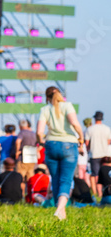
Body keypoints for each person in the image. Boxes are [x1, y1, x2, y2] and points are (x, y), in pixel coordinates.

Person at [36, 86, 84, 220]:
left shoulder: (45, 109)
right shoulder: (67, 106)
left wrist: (41, 142)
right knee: (66, 179)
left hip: (51, 145)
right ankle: (60, 208)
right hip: (69, 144)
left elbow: (40, 132)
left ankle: (60, 211)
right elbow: (74, 123)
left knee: (55, 178)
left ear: (47, 98)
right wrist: (81, 137)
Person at [85, 111, 111, 197]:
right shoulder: (107, 129)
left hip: (94, 154)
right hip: (105, 154)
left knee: (95, 174)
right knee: (105, 173)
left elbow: (87, 143)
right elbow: (108, 141)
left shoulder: (90, 129)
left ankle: (97, 193)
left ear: (95, 118)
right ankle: (104, 192)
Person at [15, 120, 38, 184]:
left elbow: (18, 141)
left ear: (20, 126)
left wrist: (17, 151)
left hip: (22, 159)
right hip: (32, 159)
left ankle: (21, 193)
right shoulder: (33, 133)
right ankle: (31, 193)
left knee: (20, 179)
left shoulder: (22, 133)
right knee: (30, 180)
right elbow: (40, 145)